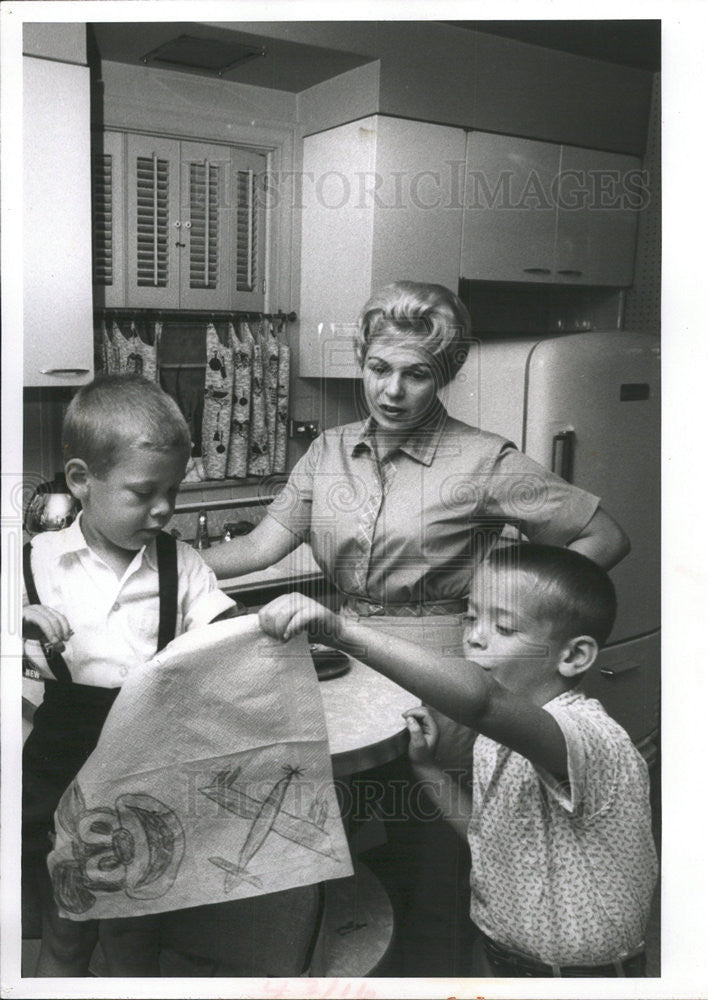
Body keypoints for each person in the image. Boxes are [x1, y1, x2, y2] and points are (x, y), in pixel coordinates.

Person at [203, 280, 631, 974]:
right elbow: (256, 549)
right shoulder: (329, 453)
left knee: (440, 853)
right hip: (346, 667)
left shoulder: (481, 459)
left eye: (415, 374)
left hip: (448, 677)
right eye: (379, 369)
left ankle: (447, 976)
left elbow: (601, 536)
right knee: (337, 845)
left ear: (443, 377)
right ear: (362, 362)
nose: (392, 390)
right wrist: (161, 559)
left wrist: (513, 614)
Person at [258, 543, 659, 977]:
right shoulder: (493, 743)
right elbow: (489, 839)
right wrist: (429, 771)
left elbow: (482, 701)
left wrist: (341, 631)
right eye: (471, 617)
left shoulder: (592, 738)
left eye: (503, 628)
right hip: (501, 953)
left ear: (573, 656)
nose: (475, 636)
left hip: (584, 978)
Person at [21, 374, 236, 976]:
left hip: (151, 773)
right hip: (63, 773)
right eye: (144, 493)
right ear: (82, 481)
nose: (164, 508)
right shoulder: (33, 563)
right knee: (65, 937)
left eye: (173, 490)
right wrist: (16, 629)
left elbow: (221, 644)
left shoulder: (183, 565)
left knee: (135, 940)